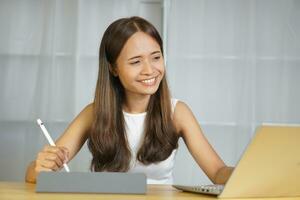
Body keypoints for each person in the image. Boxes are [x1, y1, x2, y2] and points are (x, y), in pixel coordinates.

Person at [25, 16, 233, 184]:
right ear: (114, 68)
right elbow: (32, 175)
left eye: (156, 57)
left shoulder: (177, 112)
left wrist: (243, 174)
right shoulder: (94, 113)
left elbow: (217, 172)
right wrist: (41, 167)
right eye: (135, 62)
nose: (150, 70)